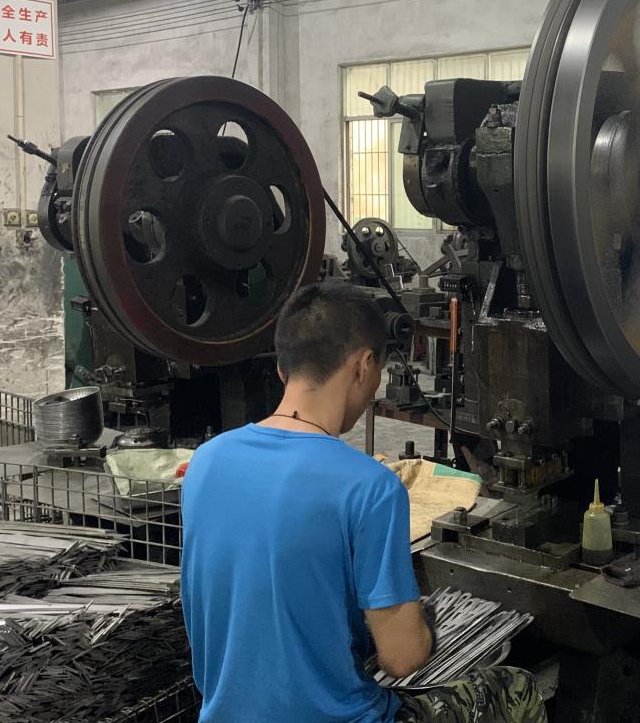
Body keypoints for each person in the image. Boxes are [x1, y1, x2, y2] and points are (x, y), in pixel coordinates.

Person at [181, 282, 546, 722]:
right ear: (364, 365)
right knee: (517, 688)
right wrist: (424, 624)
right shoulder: (369, 487)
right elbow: (403, 659)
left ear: (282, 369)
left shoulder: (206, 463)